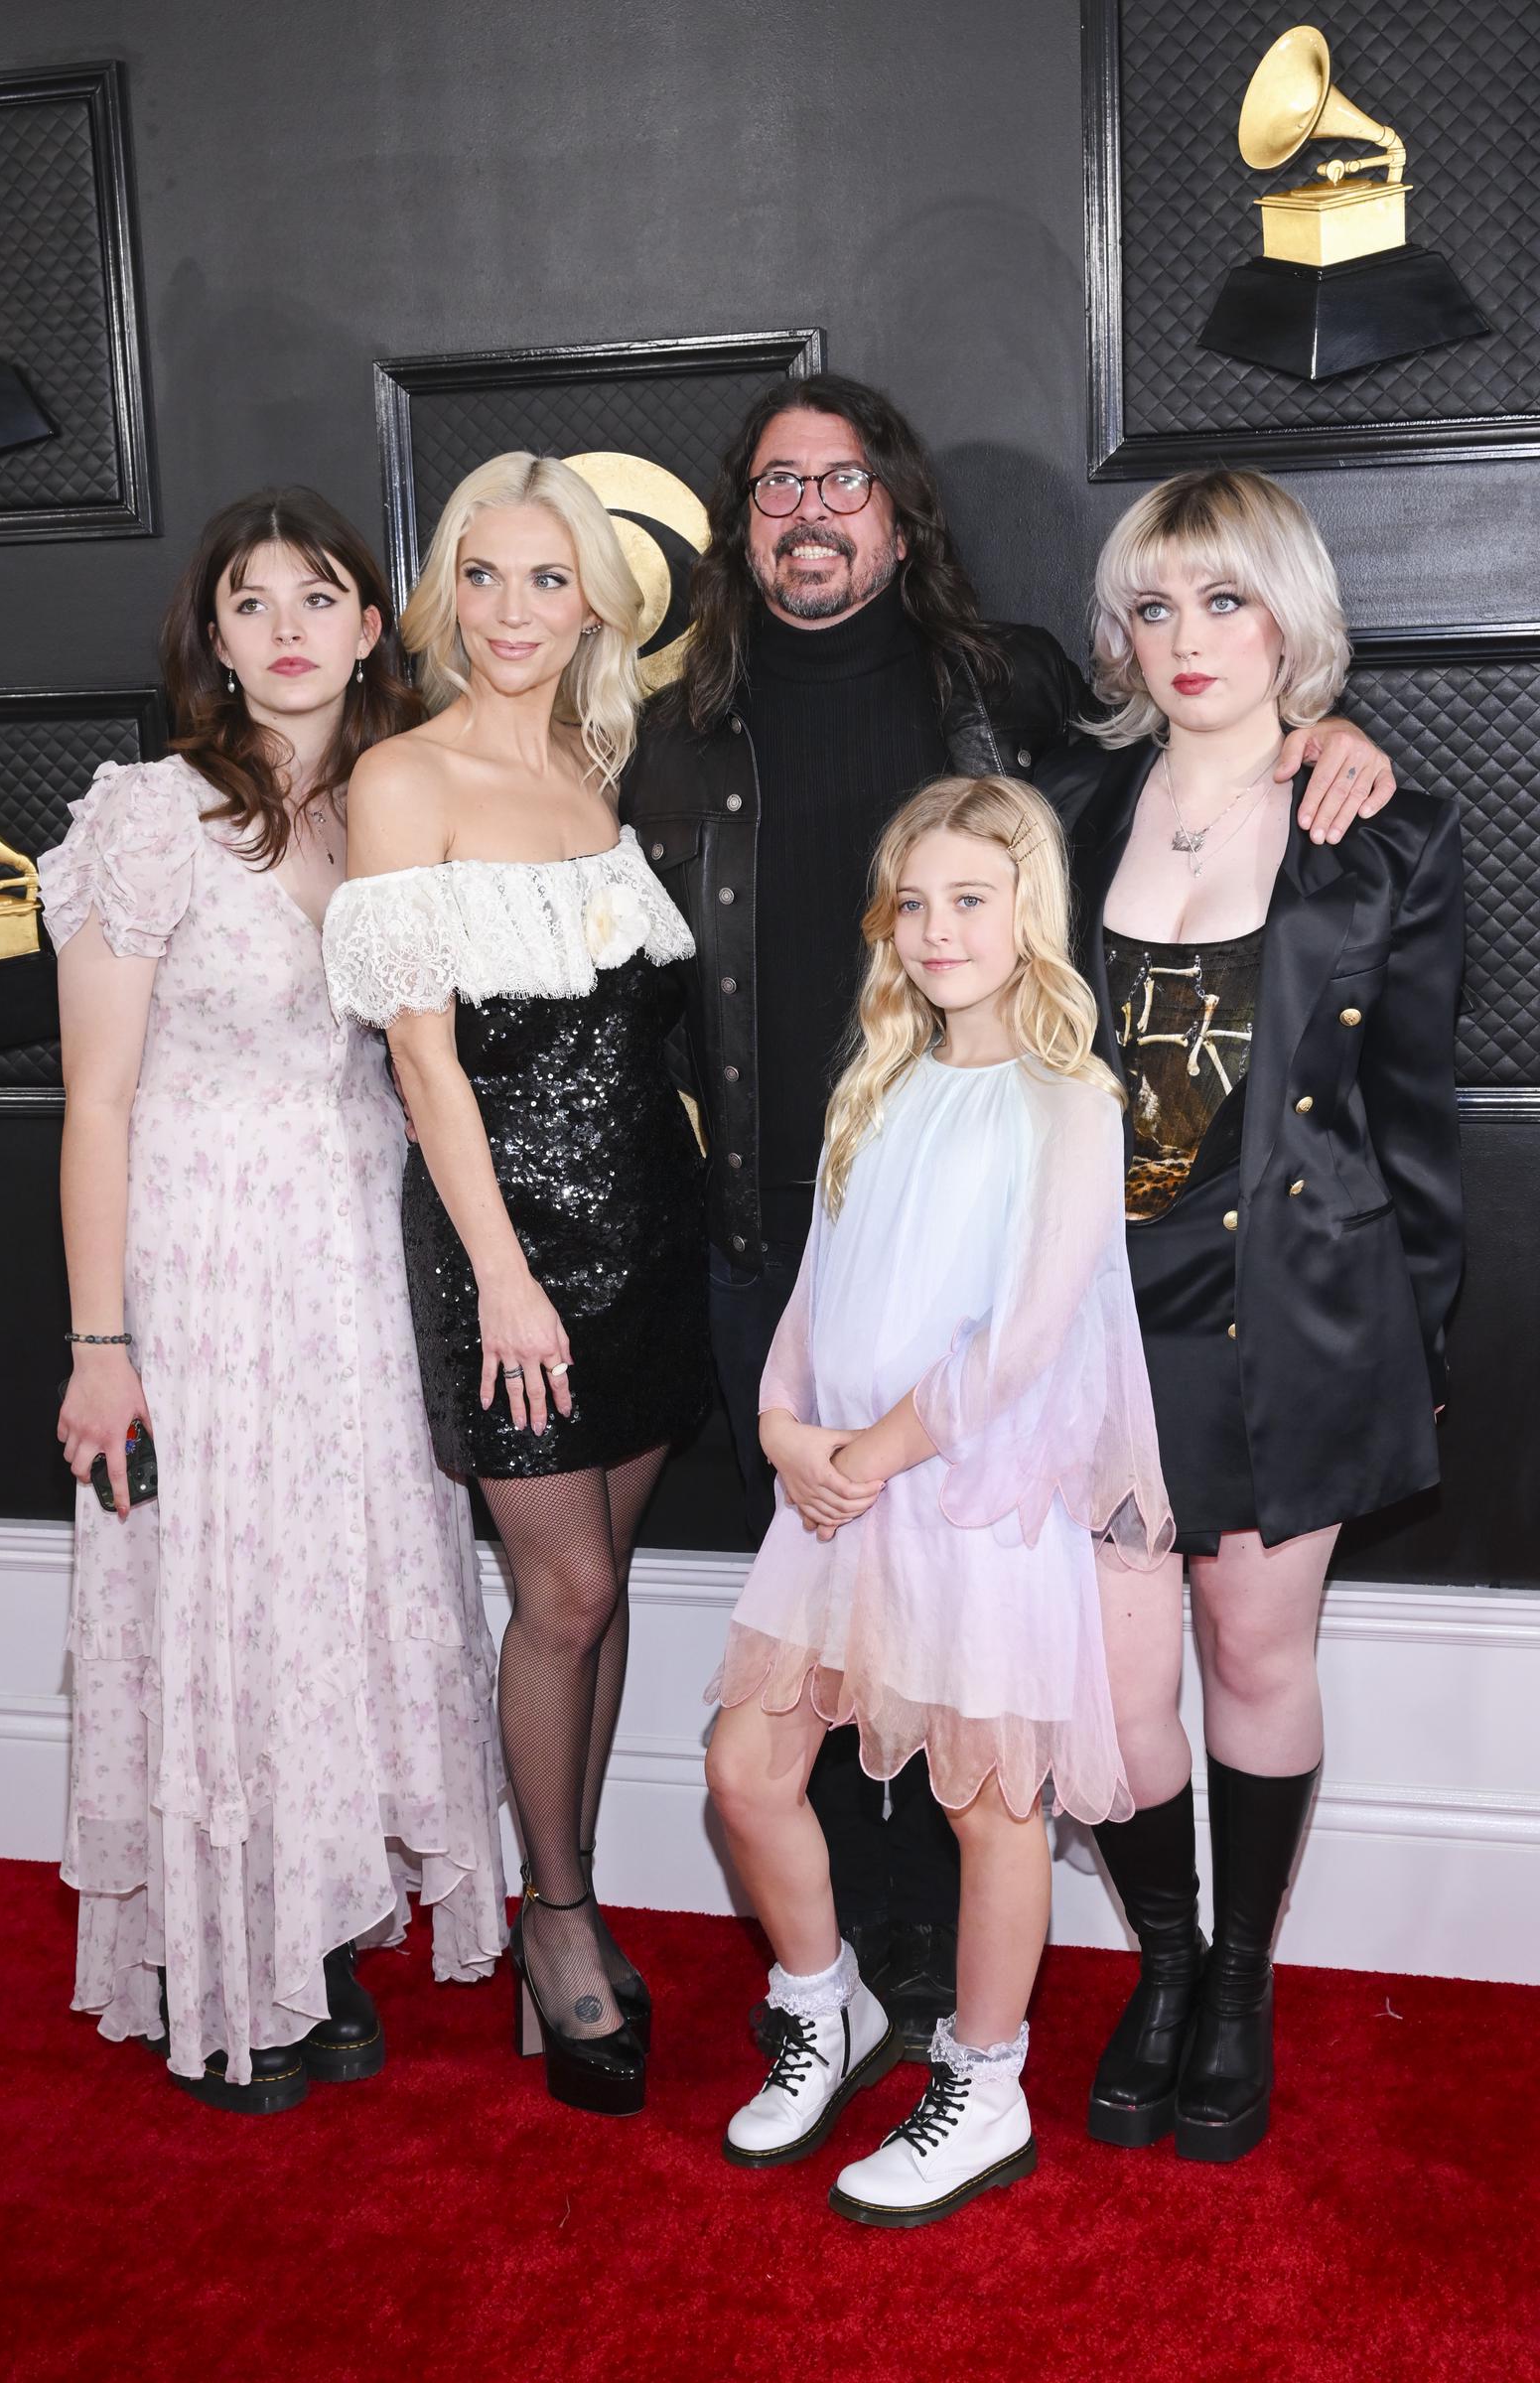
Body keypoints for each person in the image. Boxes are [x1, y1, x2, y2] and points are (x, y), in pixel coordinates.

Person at [622, 369, 1395, 2045]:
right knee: (950, 1667)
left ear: (900, 511)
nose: (809, 510)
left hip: (1139, 1293)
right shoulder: (692, 733)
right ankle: (931, 1976)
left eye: (843, 481)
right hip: (881, 1249)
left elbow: (1375, 1086)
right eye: (774, 485)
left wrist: (1330, 733)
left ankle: (1110, 1989)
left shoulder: (1016, 698)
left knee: (1113, 1652)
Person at [43, 488, 506, 2115]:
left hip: (358, 1270)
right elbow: (93, 1103)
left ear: (374, 627)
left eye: (322, 597)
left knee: (336, 1596)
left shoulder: (397, 805)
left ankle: (307, 1927)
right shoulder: (148, 820)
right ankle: (223, 1964)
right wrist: (103, 1347)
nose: (291, 628)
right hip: (201, 1267)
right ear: (215, 640)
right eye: (254, 604)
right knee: (223, 1601)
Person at [1038, 467, 1464, 2163]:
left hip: (1294, 1303)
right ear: (1118, 636)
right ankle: (1164, 1959)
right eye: (1154, 605)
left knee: (1252, 1651)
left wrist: (1410, 1351)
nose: (1188, 638)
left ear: (1290, 616)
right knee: (1128, 1687)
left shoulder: (1391, 830)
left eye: (1225, 601)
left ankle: (1243, 1982)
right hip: (1094, 1314)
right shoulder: (1059, 810)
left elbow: (1414, 1127)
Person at [705, 772, 1171, 2227]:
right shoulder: (881, 1082)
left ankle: (985, 2079)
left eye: (970, 898)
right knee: (745, 1767)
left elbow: (1027, 1340)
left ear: (1030, 911)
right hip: (836, 1495)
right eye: (914, 904)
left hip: (969, 1502)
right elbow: (817, 1290)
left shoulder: (1069, 1103)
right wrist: (786, 1428)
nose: (935, 929)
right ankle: (822, 2002)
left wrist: (877, 1450)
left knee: (990, 1807)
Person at [323, 453, 710, 2118]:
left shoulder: (596, 766)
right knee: (559, 1597)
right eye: (483, 578)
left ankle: (578, 1875)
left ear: (599, 607)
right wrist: (502, 1279)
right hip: (514, 1253)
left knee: (603, 1588)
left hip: (648, 1231)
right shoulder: (403, 780)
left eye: (549, 582)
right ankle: (553, 1922)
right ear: (443, 593)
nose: (513, 615)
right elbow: (425, 1065)